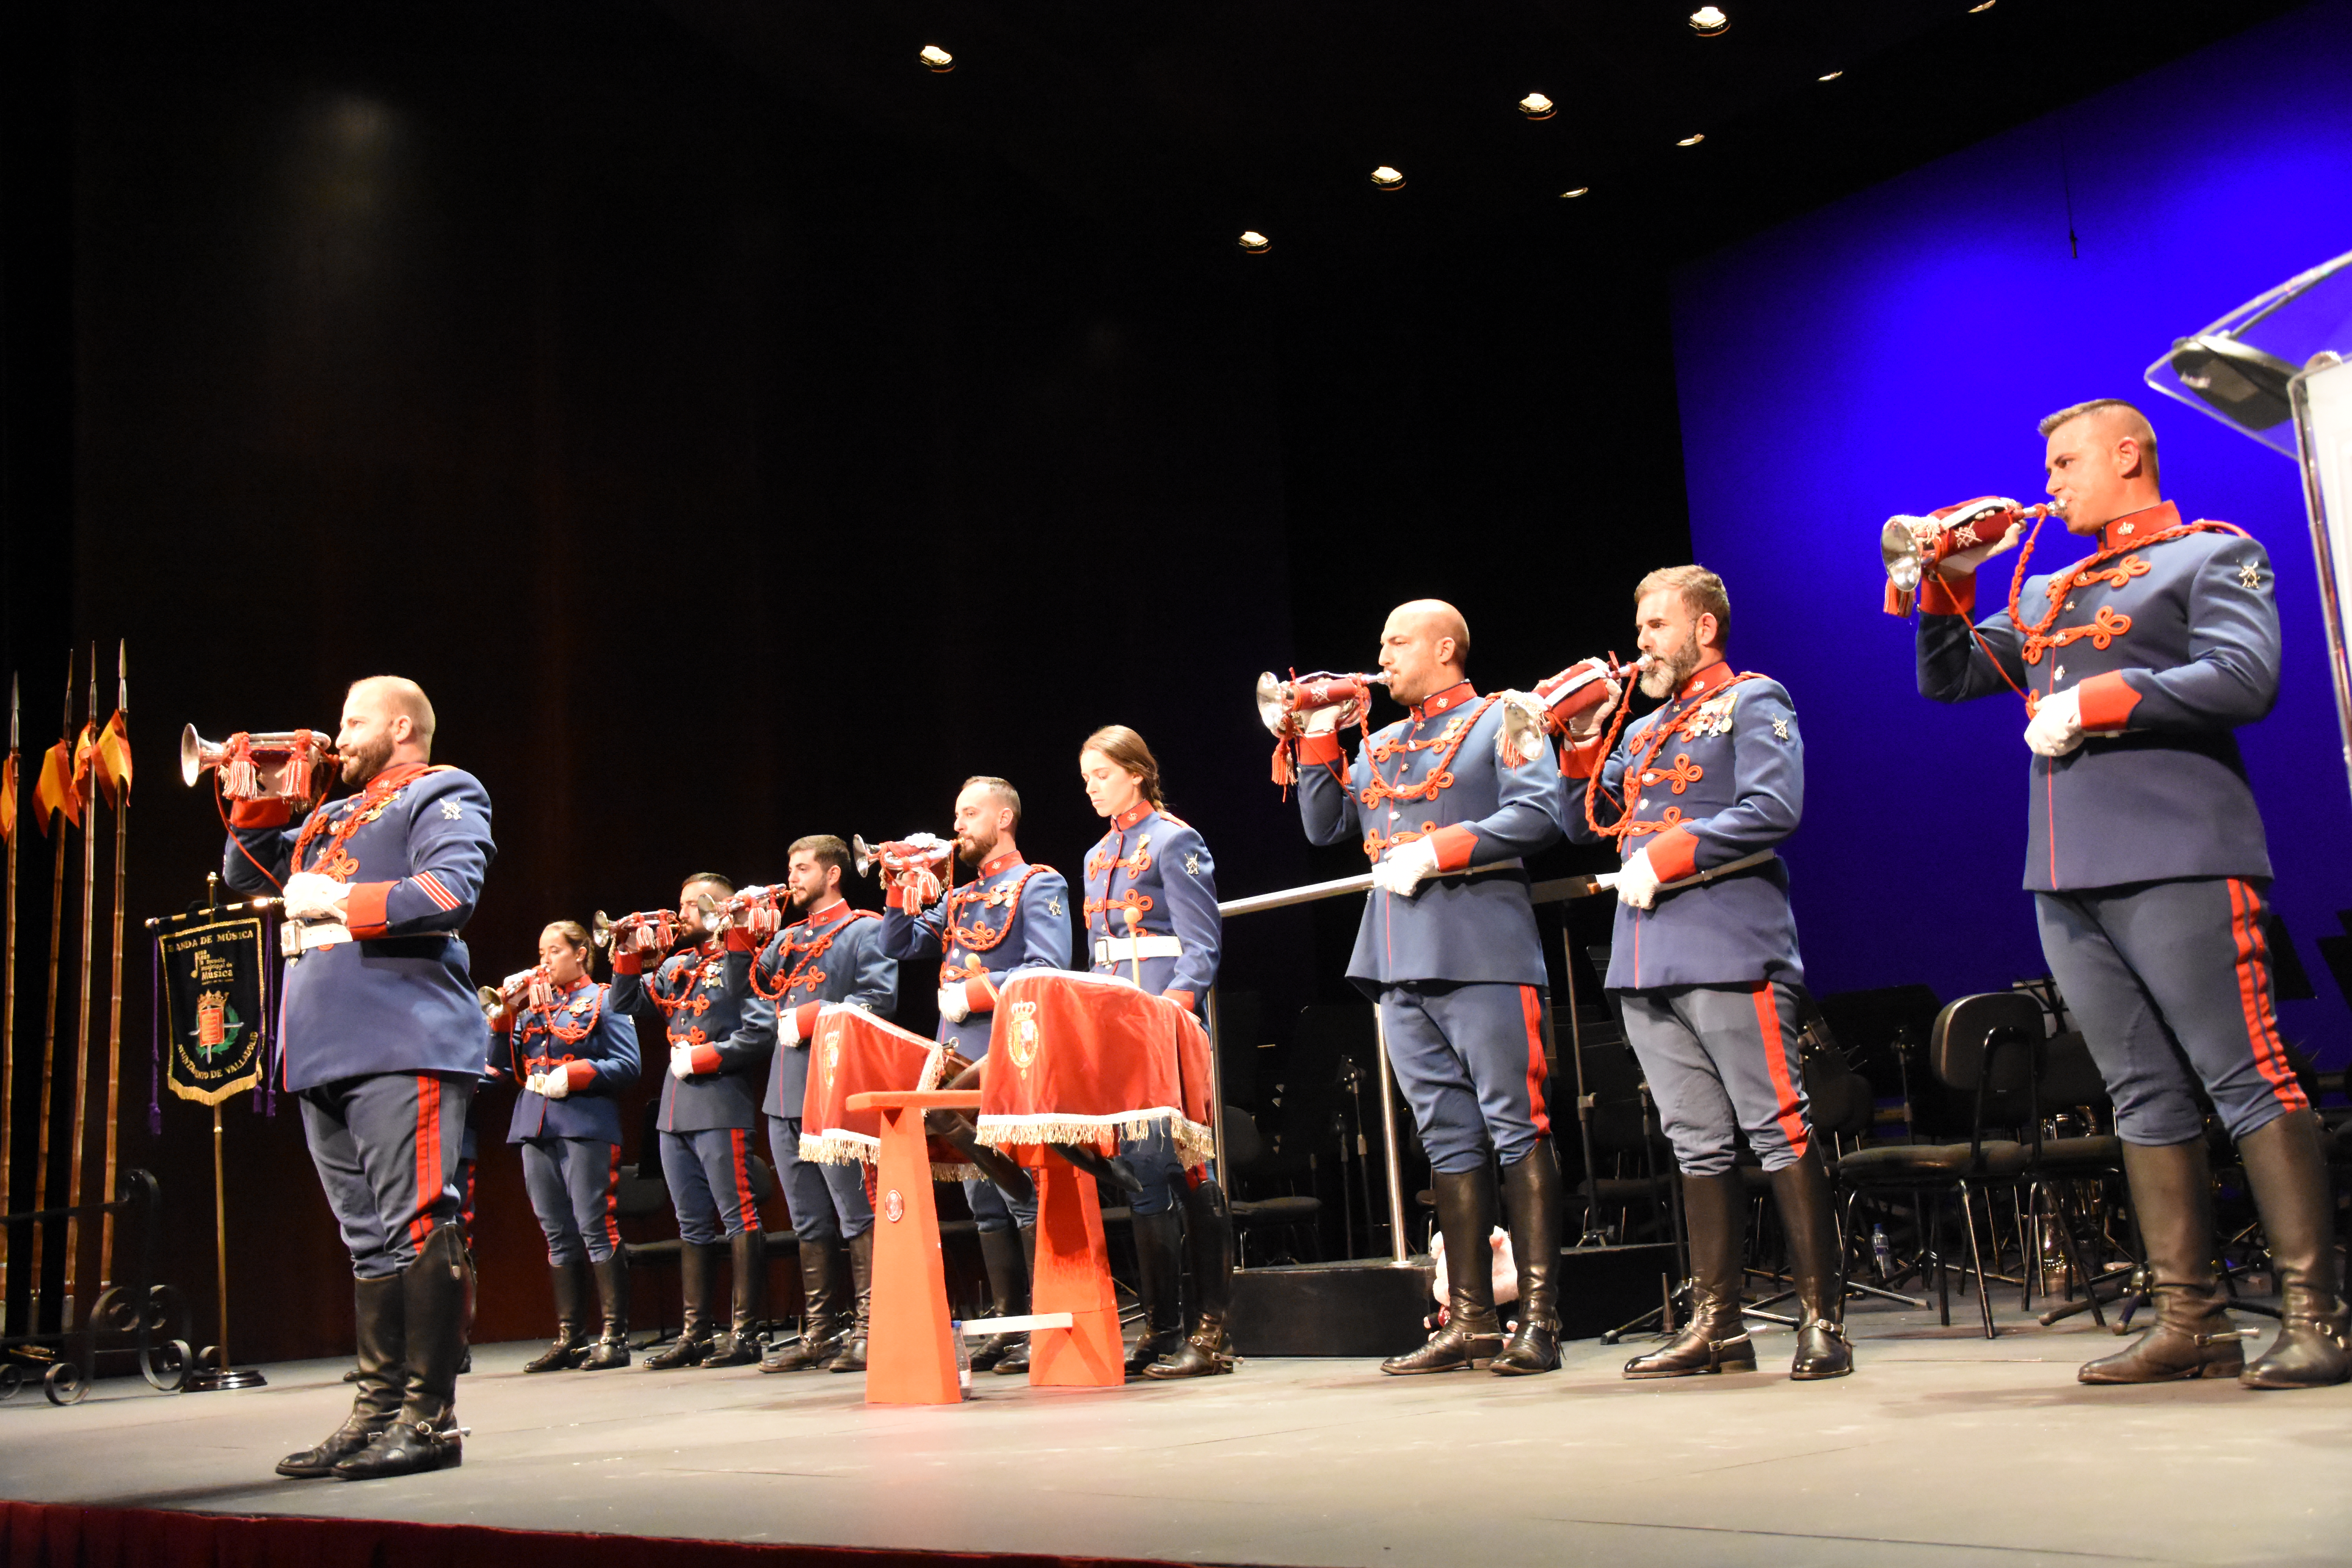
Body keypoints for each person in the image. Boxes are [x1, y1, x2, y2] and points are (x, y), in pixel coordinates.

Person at [1909, 397, 2342, 1388]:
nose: (2051, 480)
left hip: (2180, 852)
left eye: (2065, 462)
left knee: (2245, 1077)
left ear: (2127, 454)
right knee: (2141, 1093)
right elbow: (1950, 680)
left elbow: (2245, 678)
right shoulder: (2053, 589)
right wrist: (1945, 580)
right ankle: (2192, 1319)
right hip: (2066, 869)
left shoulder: (2208, 556)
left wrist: (2100, 700)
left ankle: (2319, 1314)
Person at [1561, 566, 1848, 1381]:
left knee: (1777, 1127)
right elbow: (1584, 815)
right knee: (1695, 1140)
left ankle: (1822, 1319)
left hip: (1728, 941)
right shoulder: (1644, 728)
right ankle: (1719, 1323)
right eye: (1641, 624)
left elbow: (1772, 808)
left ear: (1704, 630)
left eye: (1656, 625)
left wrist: (1671, 854)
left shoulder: (1754, 701)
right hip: (1645, 954)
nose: (1642, 641)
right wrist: (1579, 731)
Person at [223, 676, 492, 1479]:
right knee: (367, 1240)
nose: (336, 735)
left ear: (401, 724)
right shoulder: (330, 815)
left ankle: (431, 1418)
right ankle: (377, 1412)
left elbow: (450, 892)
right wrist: (257, 797)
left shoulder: (443, 788)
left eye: (352, 720)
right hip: (321, 1043)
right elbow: (248, 878)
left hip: (400, 1035)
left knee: (417, 1225)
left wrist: (342, 901)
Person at [1292, 601, 1570, 1376]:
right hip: (1394, 954)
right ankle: (1472, 1319)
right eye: (1380, 639)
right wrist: (1316, 728)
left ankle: (1540, 1317)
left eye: (1397, 641)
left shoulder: (1503, 716)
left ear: (1446, 647)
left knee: (1519, 1127)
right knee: (1446, 1139)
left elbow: (1540, 811)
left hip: (1481, 946)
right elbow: (1324, 825)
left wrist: (1443, 849)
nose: (1381, 654)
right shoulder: (1379, 741)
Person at [879, 777, 1072, 1375]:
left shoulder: (1039, 883)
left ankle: (1048, 1321)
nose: (957, 825)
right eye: (956, 814)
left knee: (1022, 1198)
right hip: (955, 1059)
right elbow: (899, 944)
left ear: (1005, 818)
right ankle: (1012, 1327)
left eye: (970, 814)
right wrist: (897, 888)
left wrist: (976, 994)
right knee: (983, 1201)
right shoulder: (959, 897)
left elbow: (1048, 968)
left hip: (1010, 1056)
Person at [1077, 725, 1234, 1378]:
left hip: (1164, 1021)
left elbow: (1201, 944)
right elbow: (1095, 954)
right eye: (1086, 781)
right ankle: (1163, 1329)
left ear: (1136, 774)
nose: (1092, 789)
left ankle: (1213, 1330)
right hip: (1116, 1026)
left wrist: (1174, 1011)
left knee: (1188, 1167)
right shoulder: (1094, 857)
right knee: (1142, 1170)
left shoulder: (1176, 840)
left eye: (1102, 777)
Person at [740, 836, 897, 1374]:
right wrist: (741, 936)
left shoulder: (865, 930)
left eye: (803, 868)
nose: (793, 877)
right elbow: (756, 998)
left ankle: (874, 1329)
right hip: (785, 1093)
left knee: (856, 1215)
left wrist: (809, 1019)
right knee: (808, 1221)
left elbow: (877, 999)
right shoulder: (785, 939)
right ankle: (820, 1333)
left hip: (836, 1089)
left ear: (832, 874)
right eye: (790, 867)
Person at [608, 874, 774, 1370]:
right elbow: (622, 1003)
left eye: (693, 902)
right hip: (675, 1109)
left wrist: (707, 1058)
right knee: (691, 1223)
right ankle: (696, 1331)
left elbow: (761, 1031)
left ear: (722, 907)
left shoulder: (743, 959)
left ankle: (746, 1331)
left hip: (721, 1100)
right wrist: (627, 952)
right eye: (680, 902)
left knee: (738, 1216)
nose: (681, 912)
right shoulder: (678, 965)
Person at [495, 920, 642, 1373]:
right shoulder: (532, 1006)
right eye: (541, 951)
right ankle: (570, 1336)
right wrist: (502, 1016)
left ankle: (615, 1336)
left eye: (554, 951)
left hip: (584, 1122)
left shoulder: (603, 999)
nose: (544, 961)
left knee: (595, 1225)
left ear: (581, 954)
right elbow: (500, 1067)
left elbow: (628, 1064)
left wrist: (577, 1074)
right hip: (535, 1123)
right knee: (556, 1232)